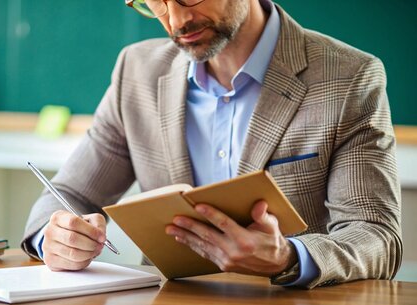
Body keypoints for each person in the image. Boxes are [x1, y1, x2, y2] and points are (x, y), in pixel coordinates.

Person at [22, 0, 402, 288]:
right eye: (153, 2)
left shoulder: (348, 77)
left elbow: (376, 236)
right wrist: (53, 237)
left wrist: (288, 256)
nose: (175, 20)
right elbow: (69, 192)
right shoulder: (136, 71)